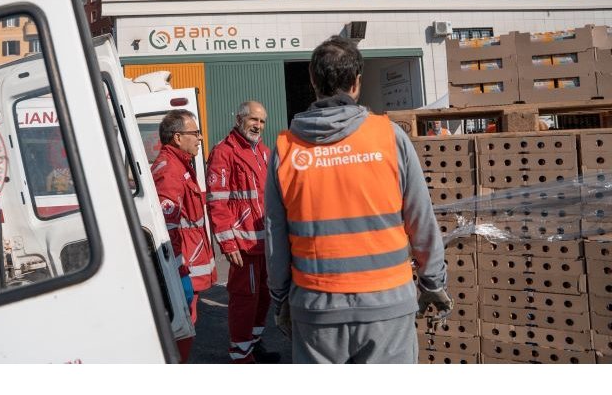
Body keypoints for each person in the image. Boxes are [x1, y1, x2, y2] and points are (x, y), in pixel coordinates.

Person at [265, 36, 451, 364]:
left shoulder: (286, 150)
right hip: (387, 306)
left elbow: (274, 237)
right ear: (357, 82)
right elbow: (421, 219)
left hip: (315, 308)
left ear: (312, 81)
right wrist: (433, 281)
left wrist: (281, 300)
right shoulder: (389, 137)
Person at [206, 101, 281, 364]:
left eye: (262, 121)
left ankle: (253, 345)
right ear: (239, 118)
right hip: (243, 246)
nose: (258, 125)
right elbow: (217, 201)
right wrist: (228, 243)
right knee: (244, 301)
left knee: (264, 297)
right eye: (253, 119)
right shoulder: (224, 152)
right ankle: (240, 357)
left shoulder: (264, 152)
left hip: (266, 244)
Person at [151, 109, 216, 363]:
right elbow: (169, 228)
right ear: (177, 138)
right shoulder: (171, 171)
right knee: (182, 331)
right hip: (183, 268)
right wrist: (178, 273)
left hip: (188, 265)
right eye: (195, 133)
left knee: (187, 326)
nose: (200, 138)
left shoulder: (181, 166)